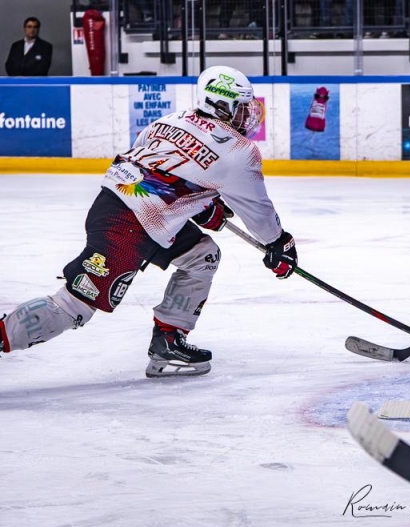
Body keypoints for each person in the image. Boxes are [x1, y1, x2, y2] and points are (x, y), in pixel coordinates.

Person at [0, 66, 298, 378]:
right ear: (220, 105)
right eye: (241, 108)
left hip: (114, 206)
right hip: (128, 228)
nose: (247, 117)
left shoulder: (172, 120)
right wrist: (278, 243)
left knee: (202, 255)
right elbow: (258, 210)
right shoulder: (239, 150)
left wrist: (200, 204)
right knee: (75, 306)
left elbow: (154, 165)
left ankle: (167, 343)